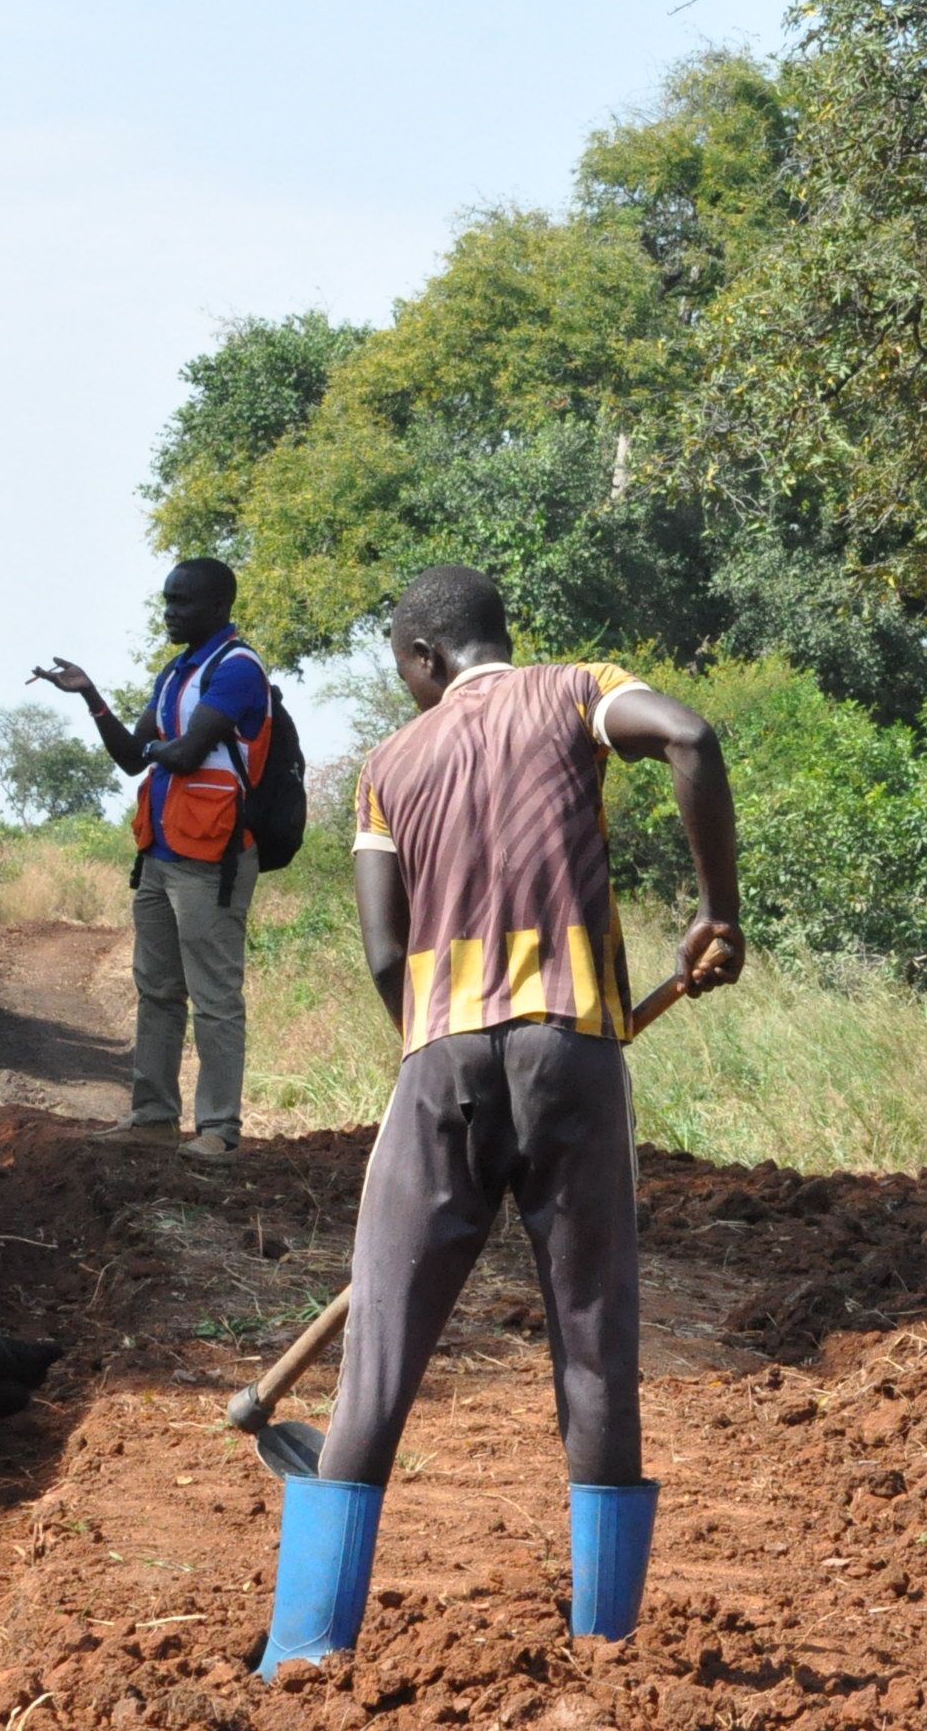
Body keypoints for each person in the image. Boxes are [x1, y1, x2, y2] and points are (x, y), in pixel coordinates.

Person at [256, 564, 743, 1676]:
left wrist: (437, 1041)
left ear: (425, 660)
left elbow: (387, 950)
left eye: (404, 672)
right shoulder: (578, 693)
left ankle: (303, 1650)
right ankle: (607, 1648)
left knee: (377, 1354)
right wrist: (717, 909)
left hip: (438, 1063)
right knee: (593, 1344)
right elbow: (691, 739)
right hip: (572, 1051)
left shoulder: (391, 765)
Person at [33, 557, 272, 1156]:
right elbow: (132, 756)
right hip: (161, 855)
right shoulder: (176, 672)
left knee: (215, 995)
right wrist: (92, 697)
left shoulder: (238, 669)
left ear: (219, 607)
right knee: (157, 989)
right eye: (167, 601)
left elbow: (187, 755)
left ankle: (219, 1130)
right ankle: (153, 1116)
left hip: (212, 858)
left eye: (183, 603)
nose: (170, 612)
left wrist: (158, 745)